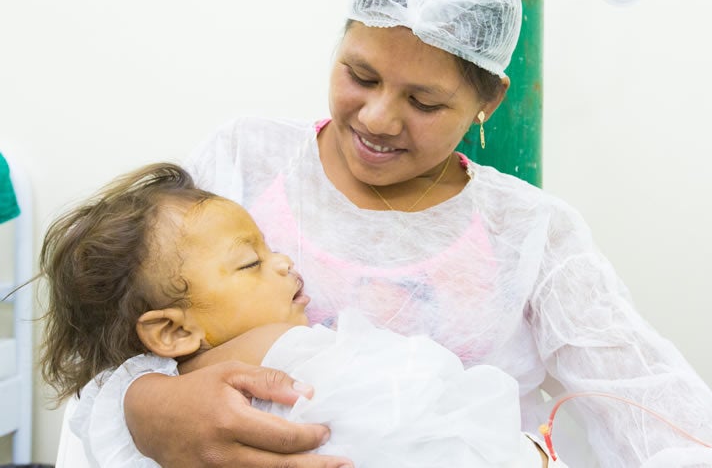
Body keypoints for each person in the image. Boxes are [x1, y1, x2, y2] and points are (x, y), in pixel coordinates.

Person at [79, 0, 712, 467]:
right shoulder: (242, 162)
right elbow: (116, 332)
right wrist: (147, 403)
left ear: (486, 101)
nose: (378, 117)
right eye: (360, 73)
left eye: (425, 100)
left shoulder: (531, 234)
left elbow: (659, 416)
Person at [38, 162, 549, 468]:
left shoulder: (134, 403)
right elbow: (417, 406)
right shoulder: (284, 361)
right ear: (173, 329)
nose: (283, 261)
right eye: (250, 262)